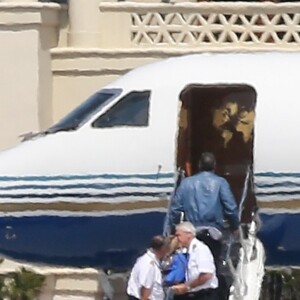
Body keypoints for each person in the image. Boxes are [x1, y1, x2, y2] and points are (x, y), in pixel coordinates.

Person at [170, 152, 239, 236]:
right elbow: (230, 208)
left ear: (199, 165)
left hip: (192, 230)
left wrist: (174, 228)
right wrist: (235, 226)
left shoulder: (186, 183)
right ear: (214, 166)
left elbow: (175, 209)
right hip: (214, 230)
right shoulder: (221, 183)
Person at [172, 222, 219, 300]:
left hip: (203, 295)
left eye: (178, 235)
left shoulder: (200, 249)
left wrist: (187, 287)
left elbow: (206, 275)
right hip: (190, 294)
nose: (176, 239)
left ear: (189, 235)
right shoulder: (184, 251)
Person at [127, 235, 170, 300]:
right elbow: (144, 293)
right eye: (167, 249)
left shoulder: (146, 259)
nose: (167, 253)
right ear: (163, 249)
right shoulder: (149, 265)